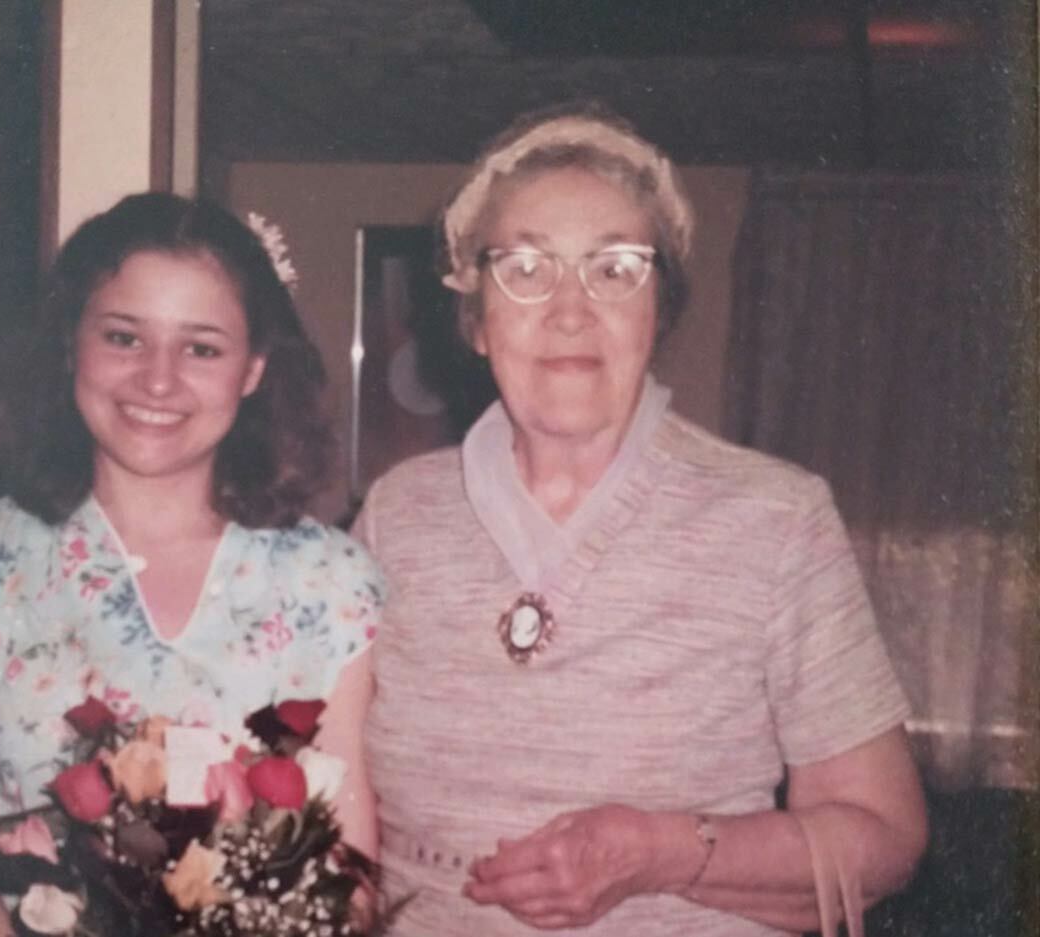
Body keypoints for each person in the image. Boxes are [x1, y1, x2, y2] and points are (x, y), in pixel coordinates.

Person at [353, 104, 927, 936]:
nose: (570, 308)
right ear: (476, 320)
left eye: (615, 269)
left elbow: (884, 839)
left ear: (659, 312)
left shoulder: (776, 518)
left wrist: (661, 851)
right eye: (526, 268)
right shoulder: (395, 514)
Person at [0, 193, 383, 937]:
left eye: (202, 348)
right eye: (124, 337)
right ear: (71, 346)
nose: (158, 380)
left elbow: (348, 874)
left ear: (251, 370)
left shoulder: (335, 584)